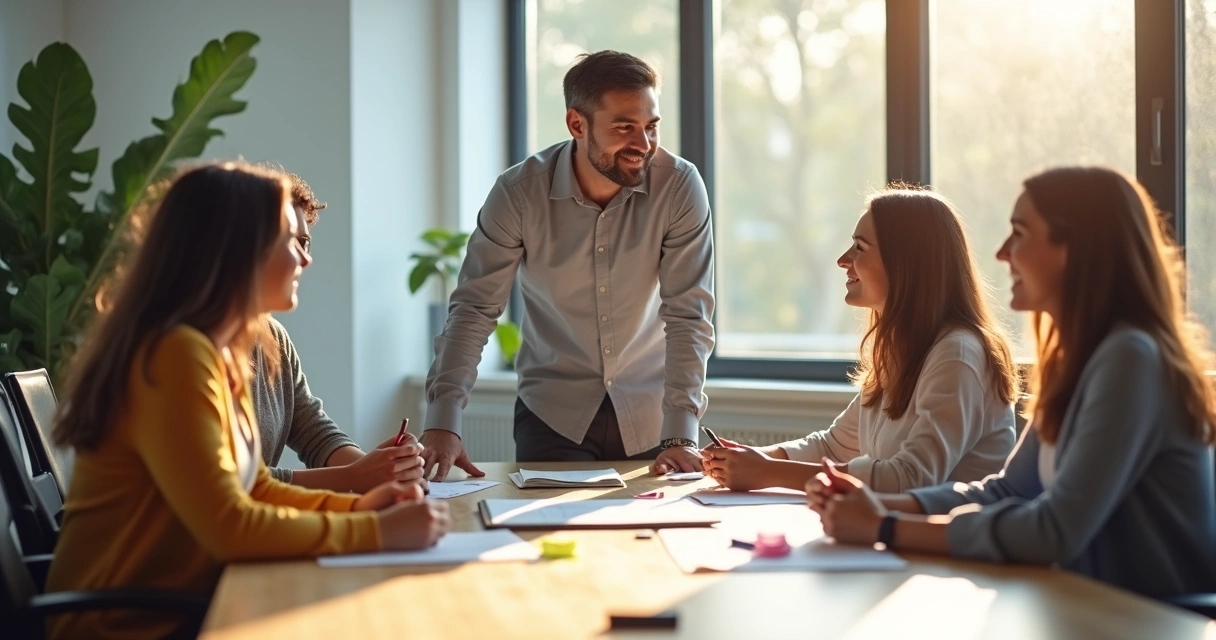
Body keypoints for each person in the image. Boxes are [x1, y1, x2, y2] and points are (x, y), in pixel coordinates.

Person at [45, 162, 450, 640]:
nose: (305, 260)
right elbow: (229, 525)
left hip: (185, 605)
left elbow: (255, 488)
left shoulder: (220, 352)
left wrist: (360, 510)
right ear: (236, 250)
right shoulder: (175, 353)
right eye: (290, 241)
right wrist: (376, 531)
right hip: (125, 625)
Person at [809, 167, 1216, 599]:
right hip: (1093, 606)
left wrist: (885, 526)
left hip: (1159, 617)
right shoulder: (1077, 360)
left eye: (1019, 233)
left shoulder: (1131, 359)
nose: (1002, 252)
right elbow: (1010, 490)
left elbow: (1053, 531)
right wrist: (874, 505)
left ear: (1073, 250)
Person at [419, 50, 715, 480]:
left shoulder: (680, 186)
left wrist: (681, 436)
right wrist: (443, 421)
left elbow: (689, 316)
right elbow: (475, 309)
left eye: (651, 126)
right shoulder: (518, 194)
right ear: (577, 124)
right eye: (624, 127)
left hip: (656, 418)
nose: (644, 144)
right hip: (553, 417)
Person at [703, 186, 1018, 493]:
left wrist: (768, 472)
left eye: (860, 247)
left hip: (949, 530)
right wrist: (749, 460)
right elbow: (832, 447)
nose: (843, 260)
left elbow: (913, 477)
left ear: (905, 263)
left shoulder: (958, 354)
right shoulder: (902, 350)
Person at [251, 170, 426, 493]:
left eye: (306, 242)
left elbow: (315, 434)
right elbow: (232, 484)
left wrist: (379, 470)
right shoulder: (188, 349)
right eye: (290, 241)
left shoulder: (273, 338)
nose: (306, 259)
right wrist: (357, 477)